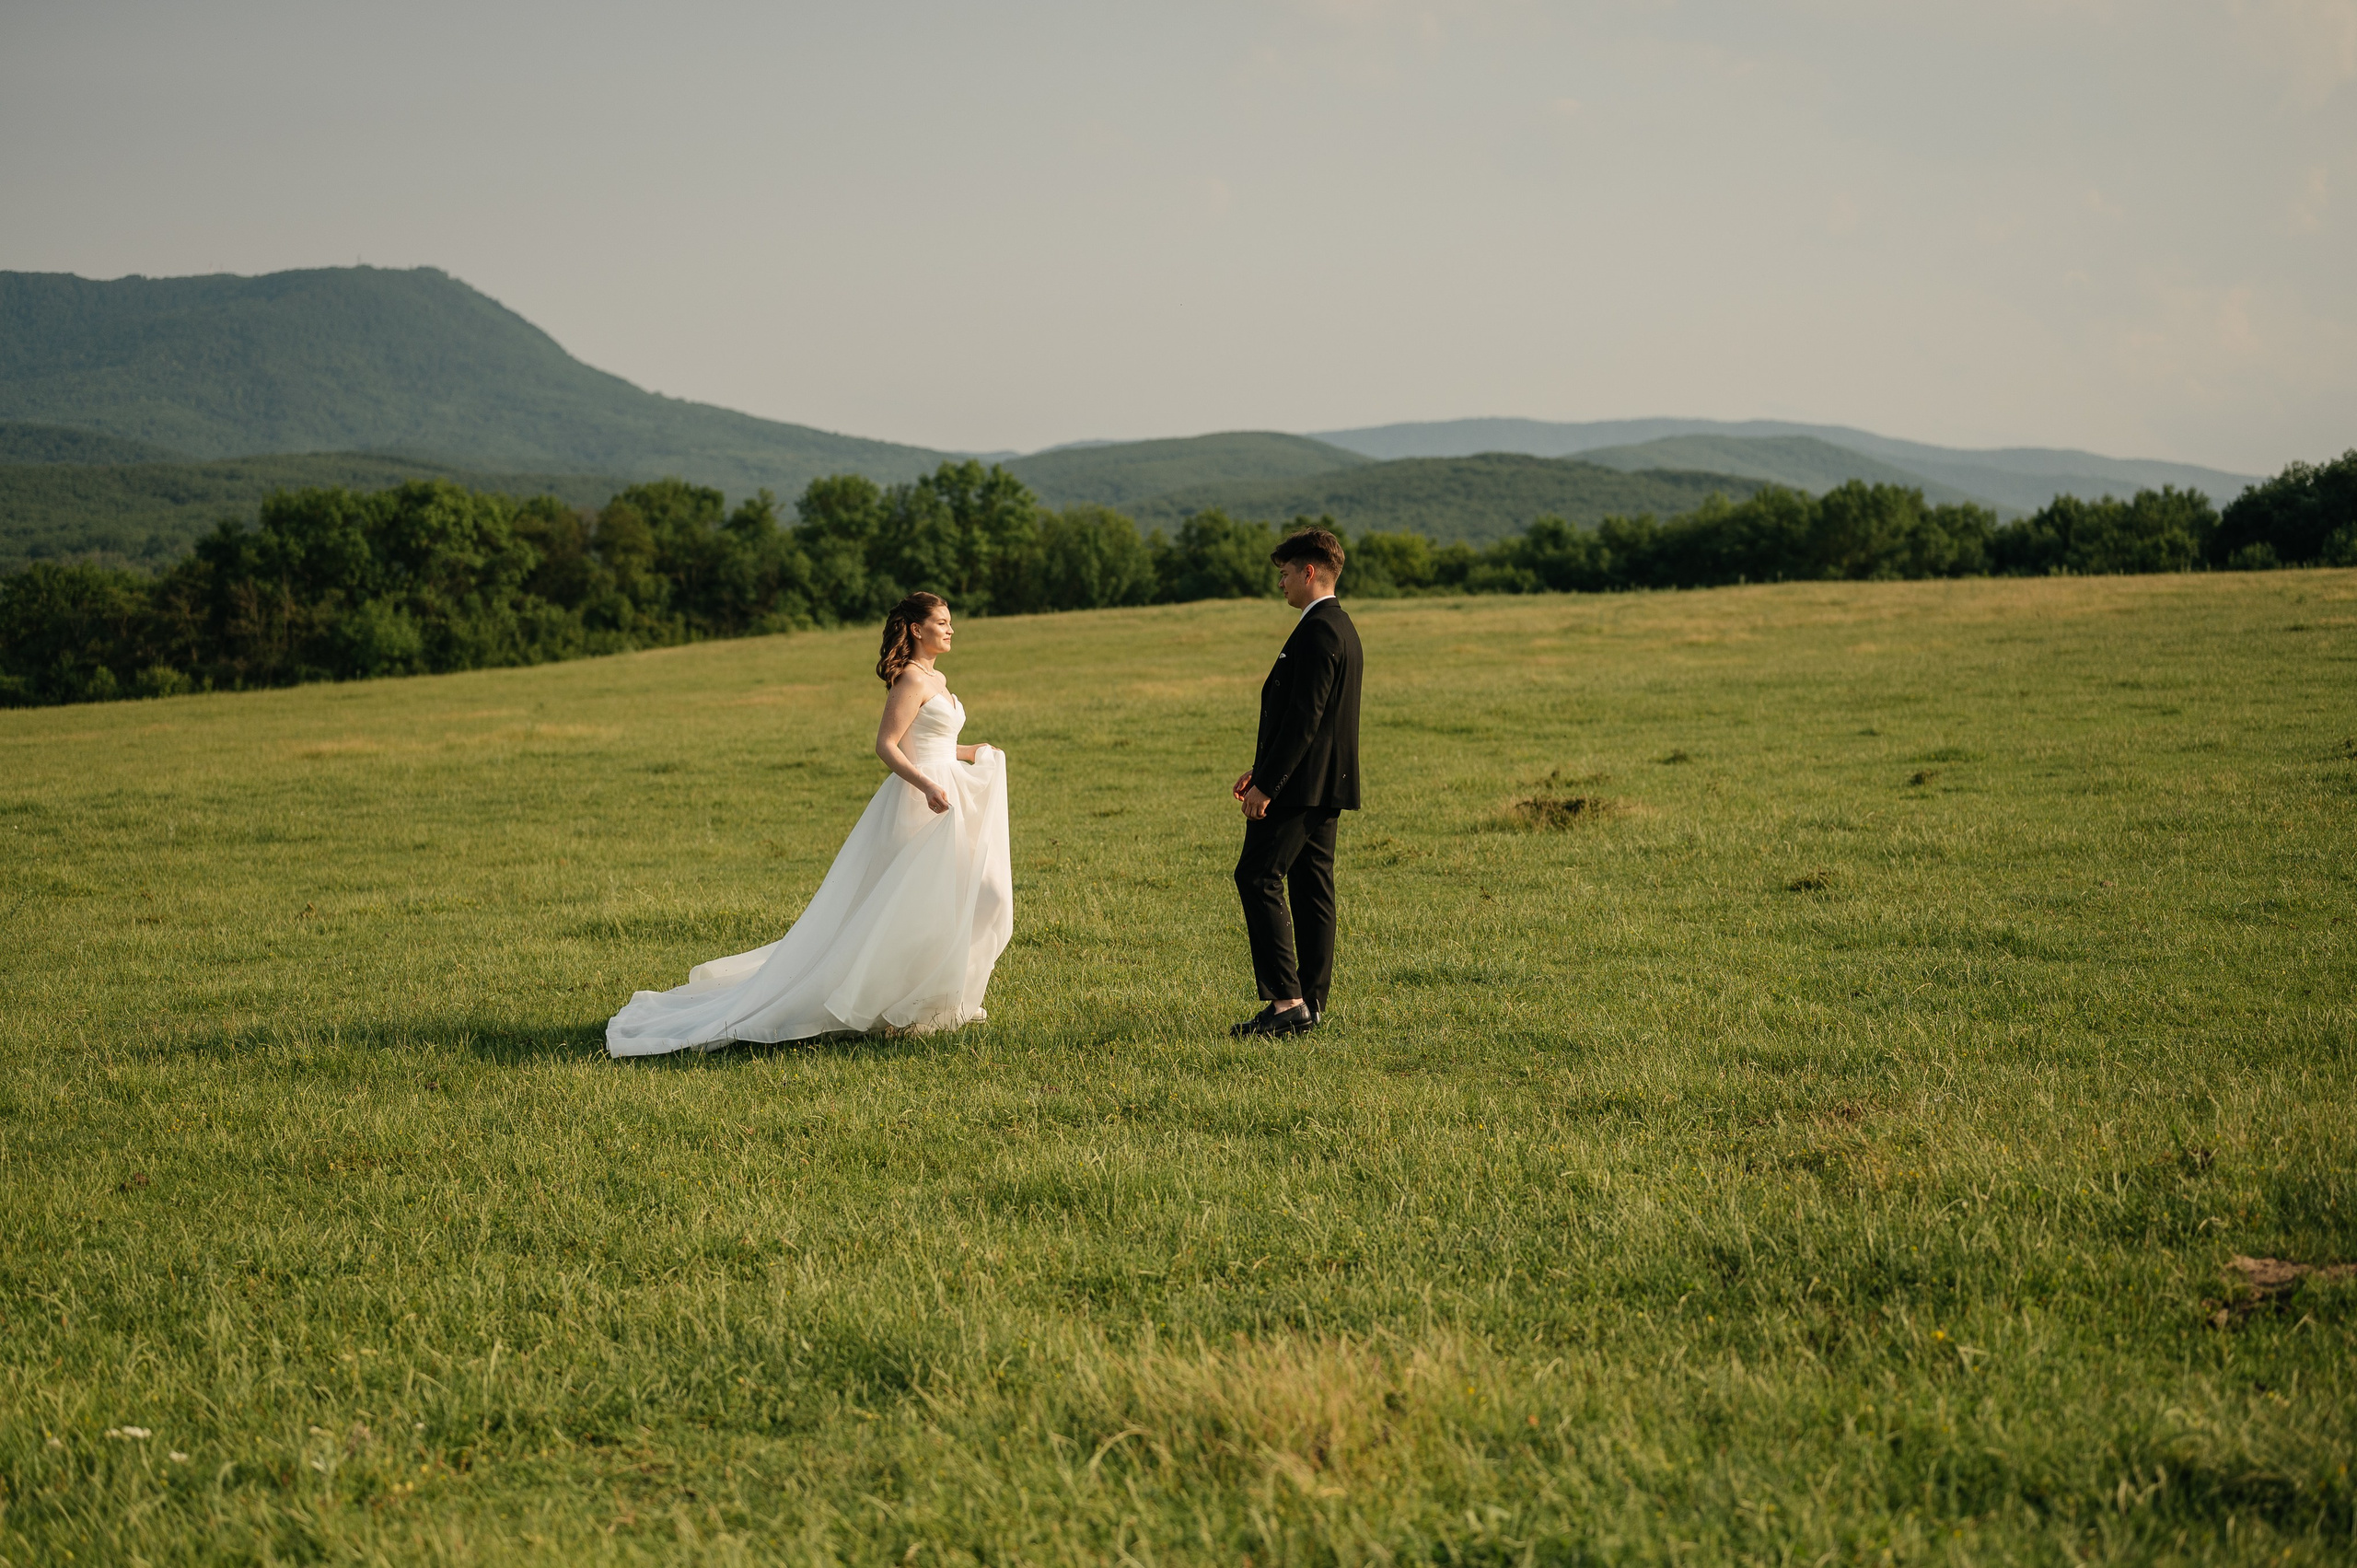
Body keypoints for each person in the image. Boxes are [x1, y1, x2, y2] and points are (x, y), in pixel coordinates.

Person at [606, 592, 1013, 1057]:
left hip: (947, 792)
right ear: (917, 629)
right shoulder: (910, 681)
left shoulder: (938, 677)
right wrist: (926, 786)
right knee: (917, 904)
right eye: (941, 622)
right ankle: (901, 1004)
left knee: (975, 897)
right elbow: (887, 745)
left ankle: (935, 998)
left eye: (950, 621)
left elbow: (935, 743)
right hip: (924, 800)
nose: (950, 628)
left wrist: (974, 751)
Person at [1230, 527, 1364, 1038]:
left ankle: (1287, 1002)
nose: (1280, 583)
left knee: (1257, 876)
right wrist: (1260, 771)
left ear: (1309, 572)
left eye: (1285, 574)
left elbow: (1305, 718)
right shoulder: (1341, 626)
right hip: (1321, 783)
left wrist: (1270, 785)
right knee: (1311, 887)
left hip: (1301, 786)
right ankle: (1311, 1001)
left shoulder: (1321, 629)